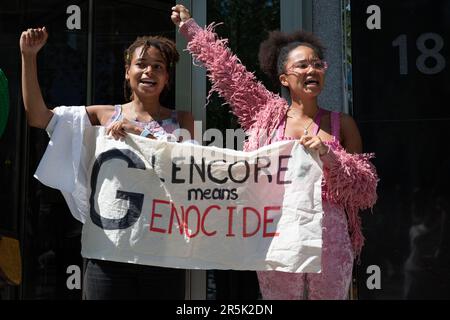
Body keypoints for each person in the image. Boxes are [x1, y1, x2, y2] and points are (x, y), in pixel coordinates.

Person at [171, 4, 378, 299]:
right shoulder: (264, 114)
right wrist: (192, 29)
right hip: (277, 234)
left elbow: (365, 189)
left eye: (318, 64)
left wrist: (329, 157)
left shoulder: (341, 124)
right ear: (284, 78)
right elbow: (230, 74)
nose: (313, 70)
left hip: (329, 238)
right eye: (303, 65)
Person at [20, 26, 194, 299]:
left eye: (158, 66)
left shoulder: (182, 120)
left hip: (163, 254)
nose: (149, 71)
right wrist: (28, 57)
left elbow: (184, 167)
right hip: (108, 253)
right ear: (127, 72)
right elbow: (39, 117)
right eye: (141, 64)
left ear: (167, 78)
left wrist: (140, 132)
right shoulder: (104, 115)